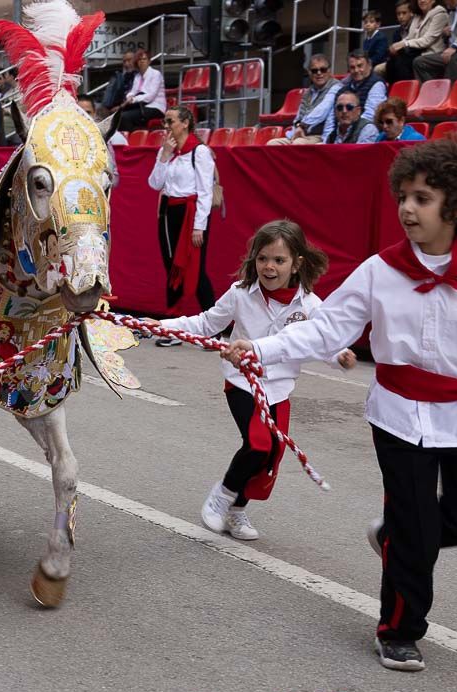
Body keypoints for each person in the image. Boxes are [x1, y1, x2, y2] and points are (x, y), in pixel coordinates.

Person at [223, 139, 457, 672]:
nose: (408, 209)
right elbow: (325, 328)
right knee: (414, 521)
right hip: (396, 414)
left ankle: (392, 538)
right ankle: (400, 629)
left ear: (455, 207)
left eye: (423, 198)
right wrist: (263, 347)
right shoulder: (379, 271)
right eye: (404, 197)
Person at [156, 221, 357, 540]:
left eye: (279, 260)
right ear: (254, 260)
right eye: (263, 258)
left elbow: (322, 340)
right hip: (242, 382)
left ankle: (237, 509)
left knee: (272, 454)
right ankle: (222, 495)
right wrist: (160, 327)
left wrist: (340, 355)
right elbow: (206, 322)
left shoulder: (309, 305)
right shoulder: (240, 294)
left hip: (279, 389)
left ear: (297, 264)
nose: (269, 266)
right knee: (258, 444)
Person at [149, 107, 216, 335]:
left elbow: (205, 192)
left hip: (191, 213)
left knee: (196, 271)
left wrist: (199, 226)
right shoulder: (168, 151)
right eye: (164, 121)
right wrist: (164, 156)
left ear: (185, 123)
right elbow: (154, 184)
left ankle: (213, 324)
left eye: (170, 121)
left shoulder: (200, 152)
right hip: (168, 213)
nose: (166, 126)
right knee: (171, 268)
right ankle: (173, 322)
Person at [268, 54, 342, 144]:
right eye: (314, 71)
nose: (319, 73)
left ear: (329, 71)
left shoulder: (336, 87)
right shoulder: (308, 92)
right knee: (272, 144)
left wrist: (302, 126)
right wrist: (299, 126)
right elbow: (298, 117)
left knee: (298, 144)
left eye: (323, 70)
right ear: (309, 73)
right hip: (302, 134)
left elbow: (322, 111)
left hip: (320, 135)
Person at [325, 50, 387, 135]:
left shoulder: (377, 85)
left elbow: (370, 116)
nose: (356, 70)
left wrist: (349, 133)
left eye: (360, 66)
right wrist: (327, 139)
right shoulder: (342, 89)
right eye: (352, 67)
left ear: (369, 65)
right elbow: (331, 119)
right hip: (341, 136)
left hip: (364, 134)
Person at [387, 0, 450, 83]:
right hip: (417, 50)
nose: (422, 0)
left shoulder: (440, 14)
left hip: (431, 52)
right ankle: (396, 92)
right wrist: (397, 45)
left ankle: (408, 91)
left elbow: (427, 40)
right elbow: (410, 36)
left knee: (403, 62)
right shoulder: (418, 15)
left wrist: (404, 44)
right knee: (392, 61)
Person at [118, 50, 167, 131]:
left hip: (156, 107)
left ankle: (132, 139)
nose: (142, 62)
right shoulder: (137, 76)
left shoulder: (156, 74)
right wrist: (129, 97)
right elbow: (133, 91)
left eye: (144, 59)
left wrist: (133, 99)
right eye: (139, 60)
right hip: (141, 106)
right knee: (118, 116)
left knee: (124, 117)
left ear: (149, 61)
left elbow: (150, 96)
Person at [378, 0, 416, 77]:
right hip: (398, 60)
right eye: (398, 14)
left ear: (411, 13)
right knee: (381, 67)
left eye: (404, 13)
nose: (401, 16)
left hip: (413, 59)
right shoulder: (397, 32)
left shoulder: (416, 29)